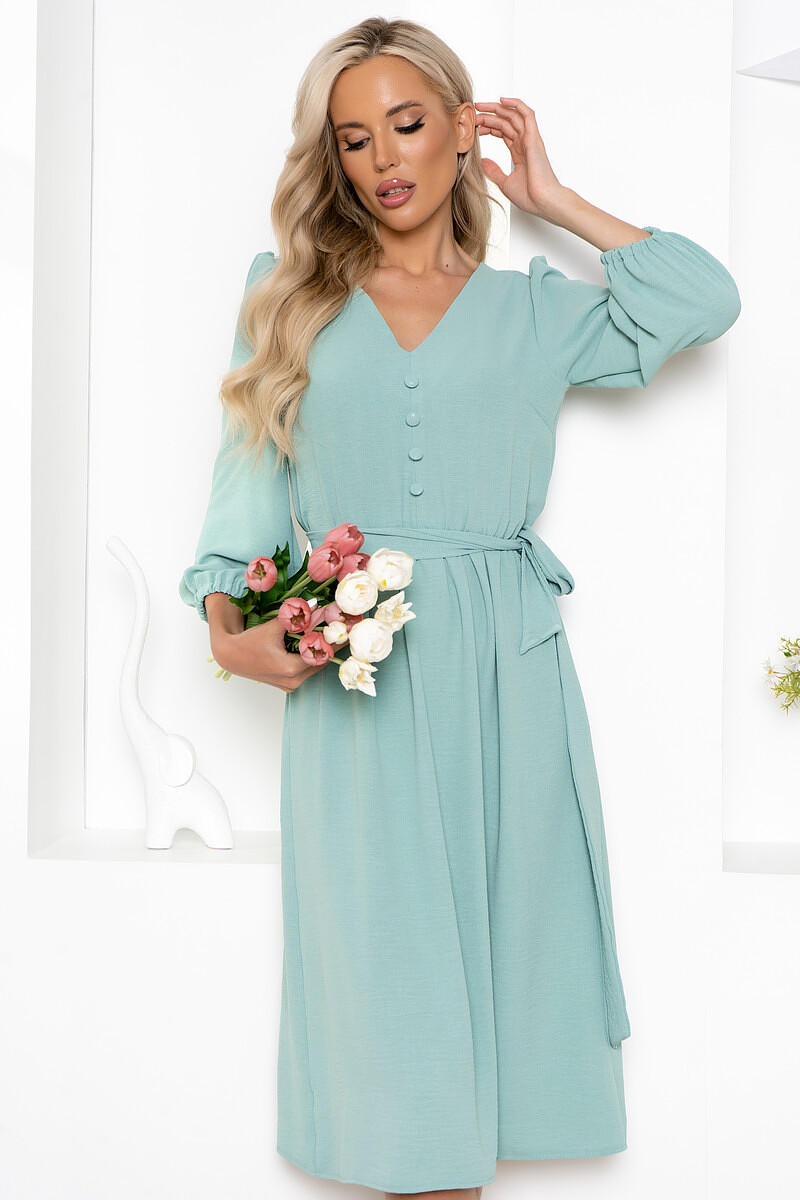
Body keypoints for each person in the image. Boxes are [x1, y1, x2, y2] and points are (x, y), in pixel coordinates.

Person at [179, 15, 741, 1199]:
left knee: (513, 951)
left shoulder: (533, 308)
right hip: (355, 673)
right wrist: (233, 638)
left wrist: (554, 200)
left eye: (407, 122)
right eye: (353, 139)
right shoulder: (285, 299)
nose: (383, 157)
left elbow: (701, 300)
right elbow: (242, 505)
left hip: (506, 670)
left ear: (459, 128)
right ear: (331, 161)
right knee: (390, 997)